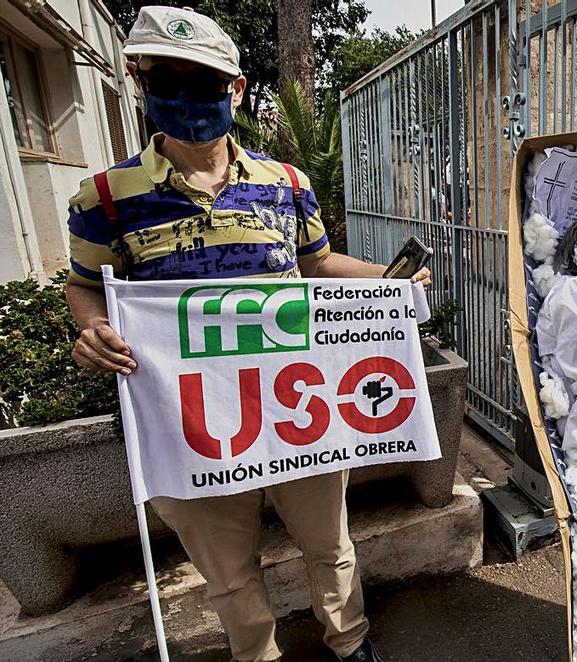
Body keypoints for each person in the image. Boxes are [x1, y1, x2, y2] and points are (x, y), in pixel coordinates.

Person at [64, 8, 430, 661]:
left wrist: (389, 279)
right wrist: (91, 330)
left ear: (235, 89)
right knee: (230, 574)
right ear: (137, 79)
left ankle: (350, 642)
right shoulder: (103, 200)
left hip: (297, 410)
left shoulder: (287, 185)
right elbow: (85, 284)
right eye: (166, 81)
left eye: (203, 84)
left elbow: (316, 264)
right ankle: (255, 656)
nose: (186, 99)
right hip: (188, 424)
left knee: (331, 546)